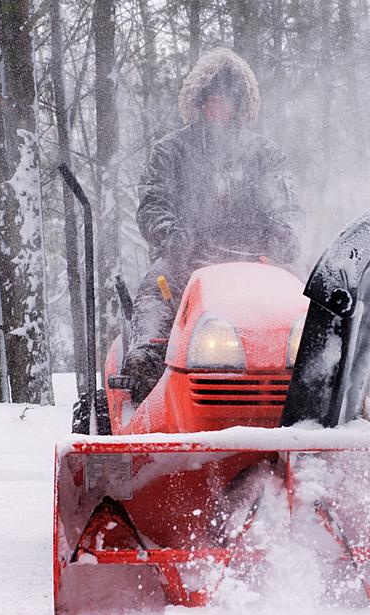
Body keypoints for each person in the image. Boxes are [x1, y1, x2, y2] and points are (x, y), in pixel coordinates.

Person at [121, 48, 304, 402]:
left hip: (257, 263)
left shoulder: (265, 155)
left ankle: (319, 362)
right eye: (212, 100)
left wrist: (283, 233)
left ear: (239, 106)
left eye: (227, 101)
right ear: (199, 102)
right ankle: (146, 357)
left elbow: (287, 206)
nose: (219, 108)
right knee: (154, 288)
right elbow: (152, 204)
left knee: (303, 290)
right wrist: (171, 234)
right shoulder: (171, 151)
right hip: (188, 261)